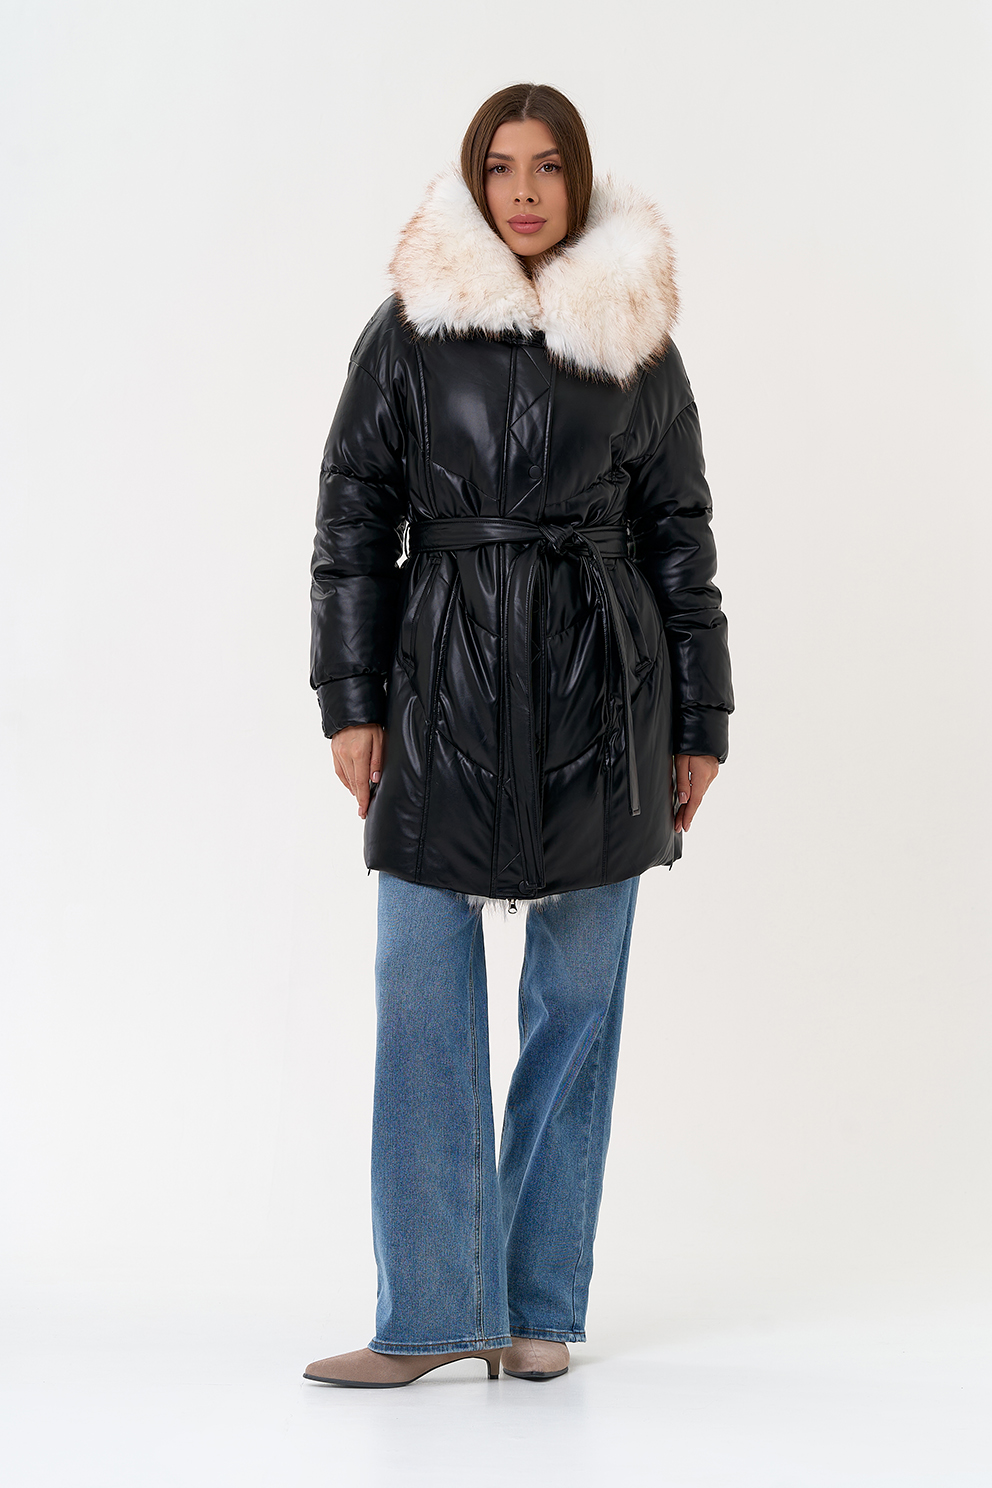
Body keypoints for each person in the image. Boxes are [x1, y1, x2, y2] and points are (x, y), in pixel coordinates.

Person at [304, 83, 733, 1389]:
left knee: (577, 1006)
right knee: (419, 993)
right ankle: (429, 1317)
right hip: (440, 687)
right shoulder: (412, 328)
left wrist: (702, 719)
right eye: (502, 167)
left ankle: (536, 1308)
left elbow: (680, 536)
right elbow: (351, 517)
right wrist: (352, 701)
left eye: (549, 167)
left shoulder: (636, 335)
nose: (526, 191)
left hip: (607, 699)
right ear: (476, 181)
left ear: (580, 181)